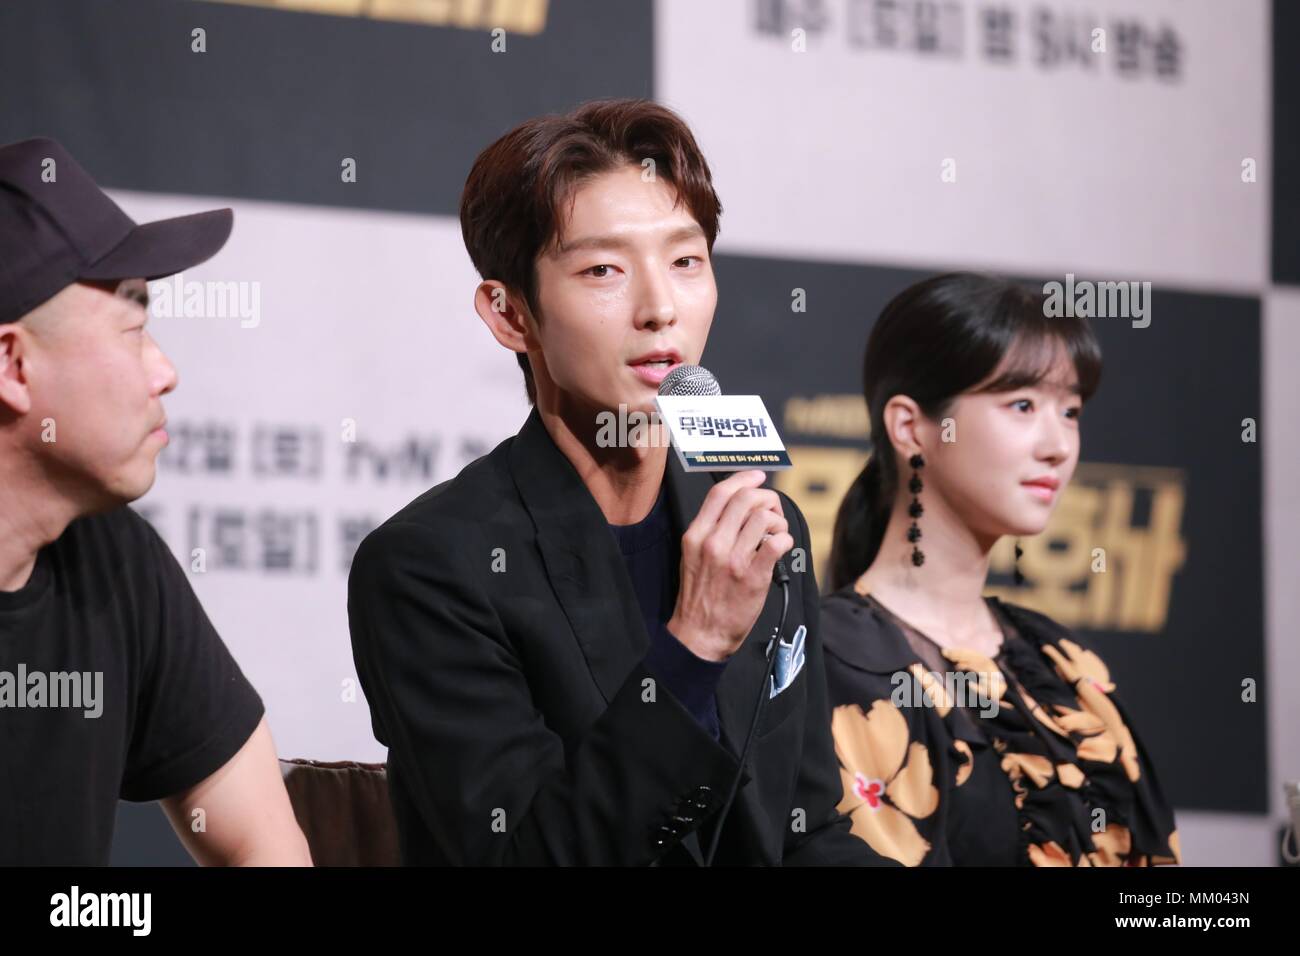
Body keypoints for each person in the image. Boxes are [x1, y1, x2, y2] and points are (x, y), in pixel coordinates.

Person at [348, 98, 894, 865]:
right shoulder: (429, 569)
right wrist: (696, 644)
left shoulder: (763, 531)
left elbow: (806, 834)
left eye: (686, 261)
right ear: (510, 315)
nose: (659, 308)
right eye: (604, 270)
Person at [0, 137, 310, 866]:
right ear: (14, 365)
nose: (165, 372)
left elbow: (263, 844)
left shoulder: (114, 558)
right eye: (134, 329)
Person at [820, 272, 1180, 866]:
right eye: (1022, 405)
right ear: (910, 427)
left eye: (1070, 411)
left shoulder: (1061, 662)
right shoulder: (835, 657)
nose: (1058, 445)